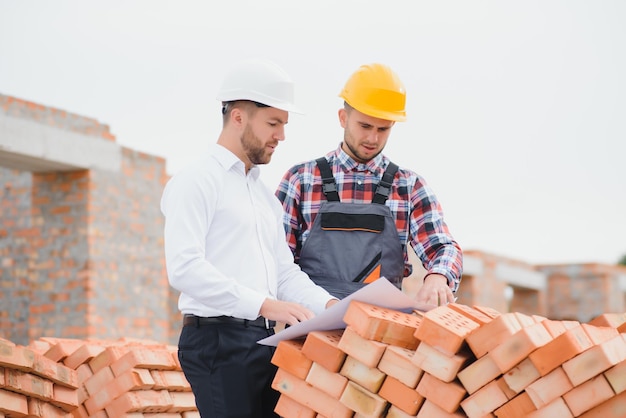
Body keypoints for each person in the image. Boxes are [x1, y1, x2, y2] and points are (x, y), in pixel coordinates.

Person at [160, 59, 338, 418]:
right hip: (216, 344)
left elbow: (285, 275)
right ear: (238, 116)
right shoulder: (196, 180)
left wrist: (331, 307)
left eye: (284, 125)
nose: (281, 136)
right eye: (273, 123)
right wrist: (265, 305)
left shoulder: (263, 197)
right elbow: (184, 268)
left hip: (264, 343)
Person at [275, 63, 463, 306]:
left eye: (382, 129)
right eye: (364, 126)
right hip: (310, 329)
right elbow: (276, 261)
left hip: (379, 334)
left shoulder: (409, 187)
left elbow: (444, 248)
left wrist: (438, 276)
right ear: (343, 118)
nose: (373, 139)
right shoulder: (301, 180)